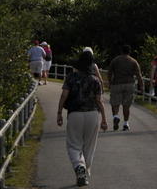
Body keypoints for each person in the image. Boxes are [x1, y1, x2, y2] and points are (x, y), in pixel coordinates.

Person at [57, 50, 108, 187]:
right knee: (89, 146)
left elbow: (64, 96)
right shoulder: (95, 80)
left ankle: (79, 167)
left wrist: (59, 112)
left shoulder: (71, 77)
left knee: (74, 145)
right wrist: (104, 118)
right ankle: (84, 170)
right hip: (92, 114)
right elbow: (99, 101)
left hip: (75, 114)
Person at [108, 44, 144, 131]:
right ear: (129, 51)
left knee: (115, 103)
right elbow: (139, 75)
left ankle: (116, 116)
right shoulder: (133, 61)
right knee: (126, 105)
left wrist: (110, 82)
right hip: (129, 84)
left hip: (116, 84)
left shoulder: (115, 60)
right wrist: (141, 86)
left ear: (121, 51)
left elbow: (109, 72)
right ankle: (126, 123)